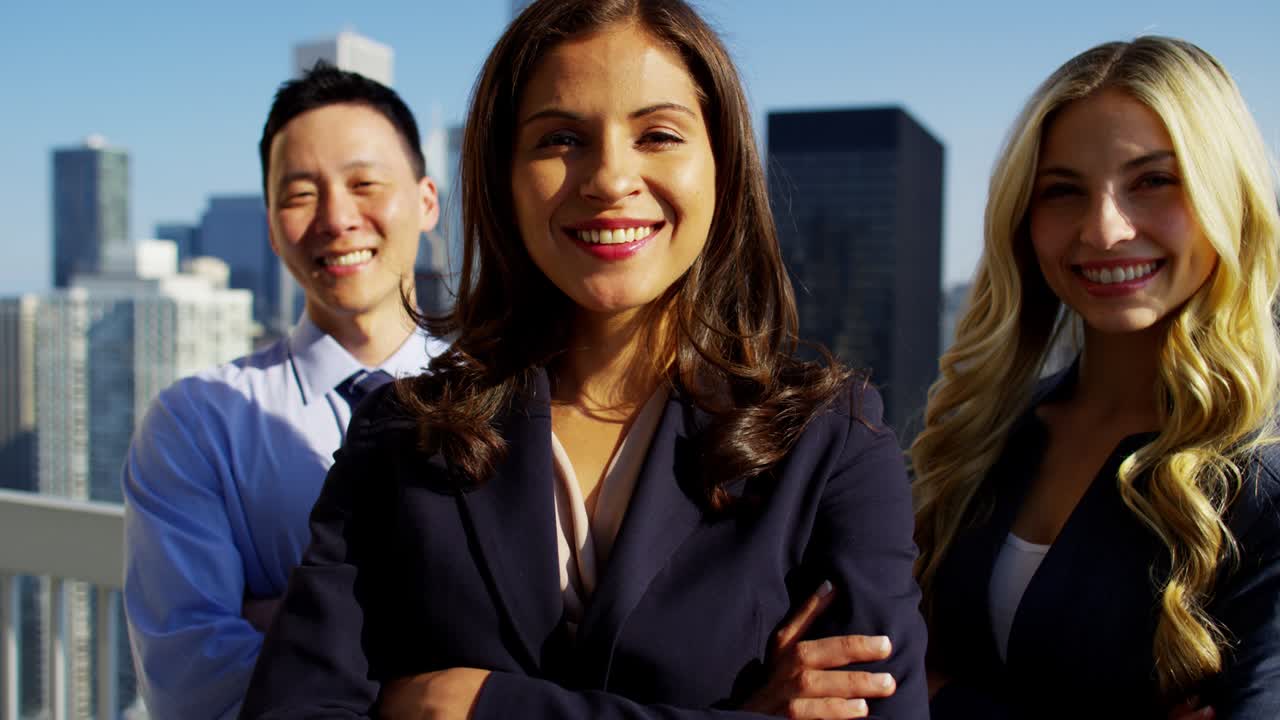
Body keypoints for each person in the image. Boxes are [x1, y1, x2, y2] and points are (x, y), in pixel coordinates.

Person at [239, 0, 929, 718]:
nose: (608, 178)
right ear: (503, 178)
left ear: (722, 167)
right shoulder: (401, 435)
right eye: (560, 139)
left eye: (658, 134)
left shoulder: (829, 441)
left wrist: (482, 706)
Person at [912, 36, 1280, 719]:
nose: (1103, 230)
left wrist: (942, 698)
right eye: (1062, 192)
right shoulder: (981, 437)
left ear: (1229, 197)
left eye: (1154, 181)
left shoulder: (1265, 471)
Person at [122, 64, 448, 719]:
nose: (336, 217)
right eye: (301, 194)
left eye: (364, 184)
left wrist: (291, 620)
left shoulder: (507, 396)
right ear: (272, 227)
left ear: (426, 201)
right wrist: (429, 681)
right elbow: (194, 686)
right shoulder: (197, 425)